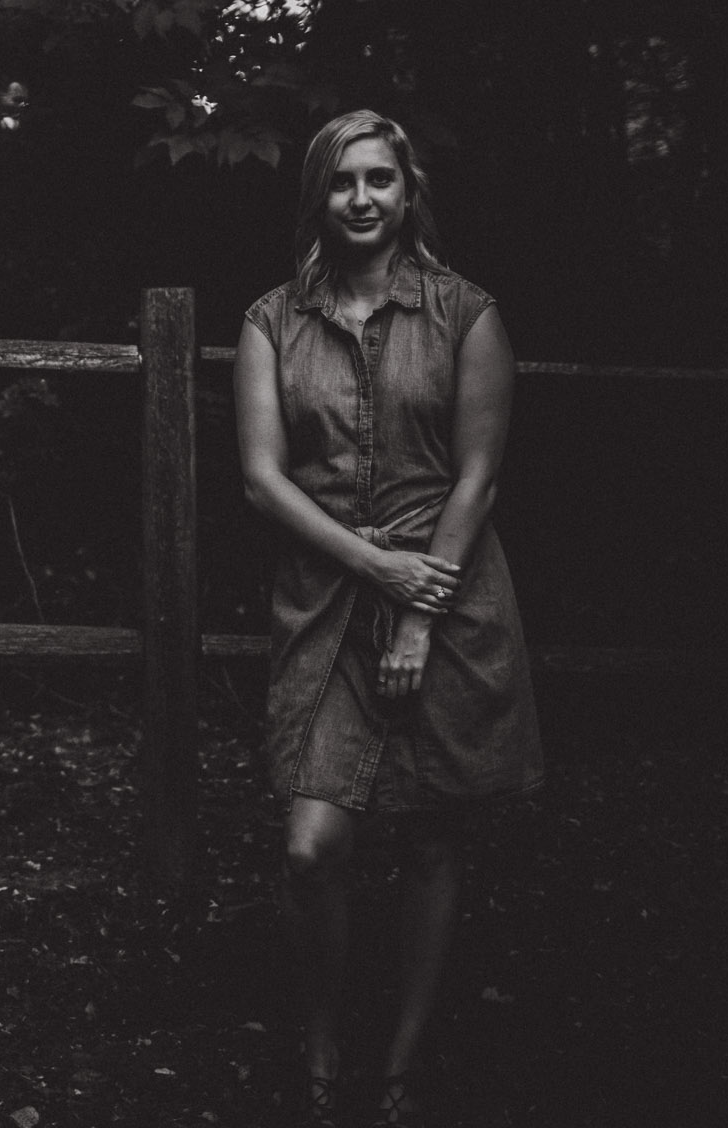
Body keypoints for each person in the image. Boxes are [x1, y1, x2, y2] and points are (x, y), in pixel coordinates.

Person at [235, 110, 544, 1125]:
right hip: (325, 596)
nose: (362, 200)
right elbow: (262, 479)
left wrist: (420, 610)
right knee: (311, 843)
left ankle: (402, 1064)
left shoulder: (467, 313)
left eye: (380, 180)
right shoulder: (273, 319)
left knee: (428, 836)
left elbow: (480, 476)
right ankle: (323, 1040)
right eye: (342, 183)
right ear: (318, 197)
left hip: (447, 593)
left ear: (408, 192)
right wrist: (375, 568)